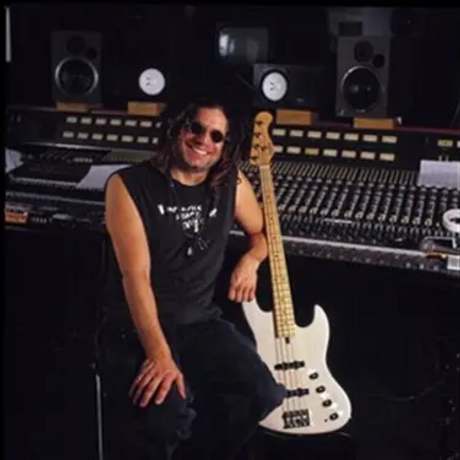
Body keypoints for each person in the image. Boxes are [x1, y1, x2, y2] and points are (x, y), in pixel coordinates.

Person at [97, 100, 286, 460]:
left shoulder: (232, 183)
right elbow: (135, 276)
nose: (204, 141)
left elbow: (263, 233)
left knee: (262, 392)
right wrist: (159, 355)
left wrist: (252, 259)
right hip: (136, 326)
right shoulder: (127, 185)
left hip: (199, 322)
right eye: (196, 128)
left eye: (216, 136)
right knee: (165, 416)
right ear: (176, 127)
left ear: (224, 146)